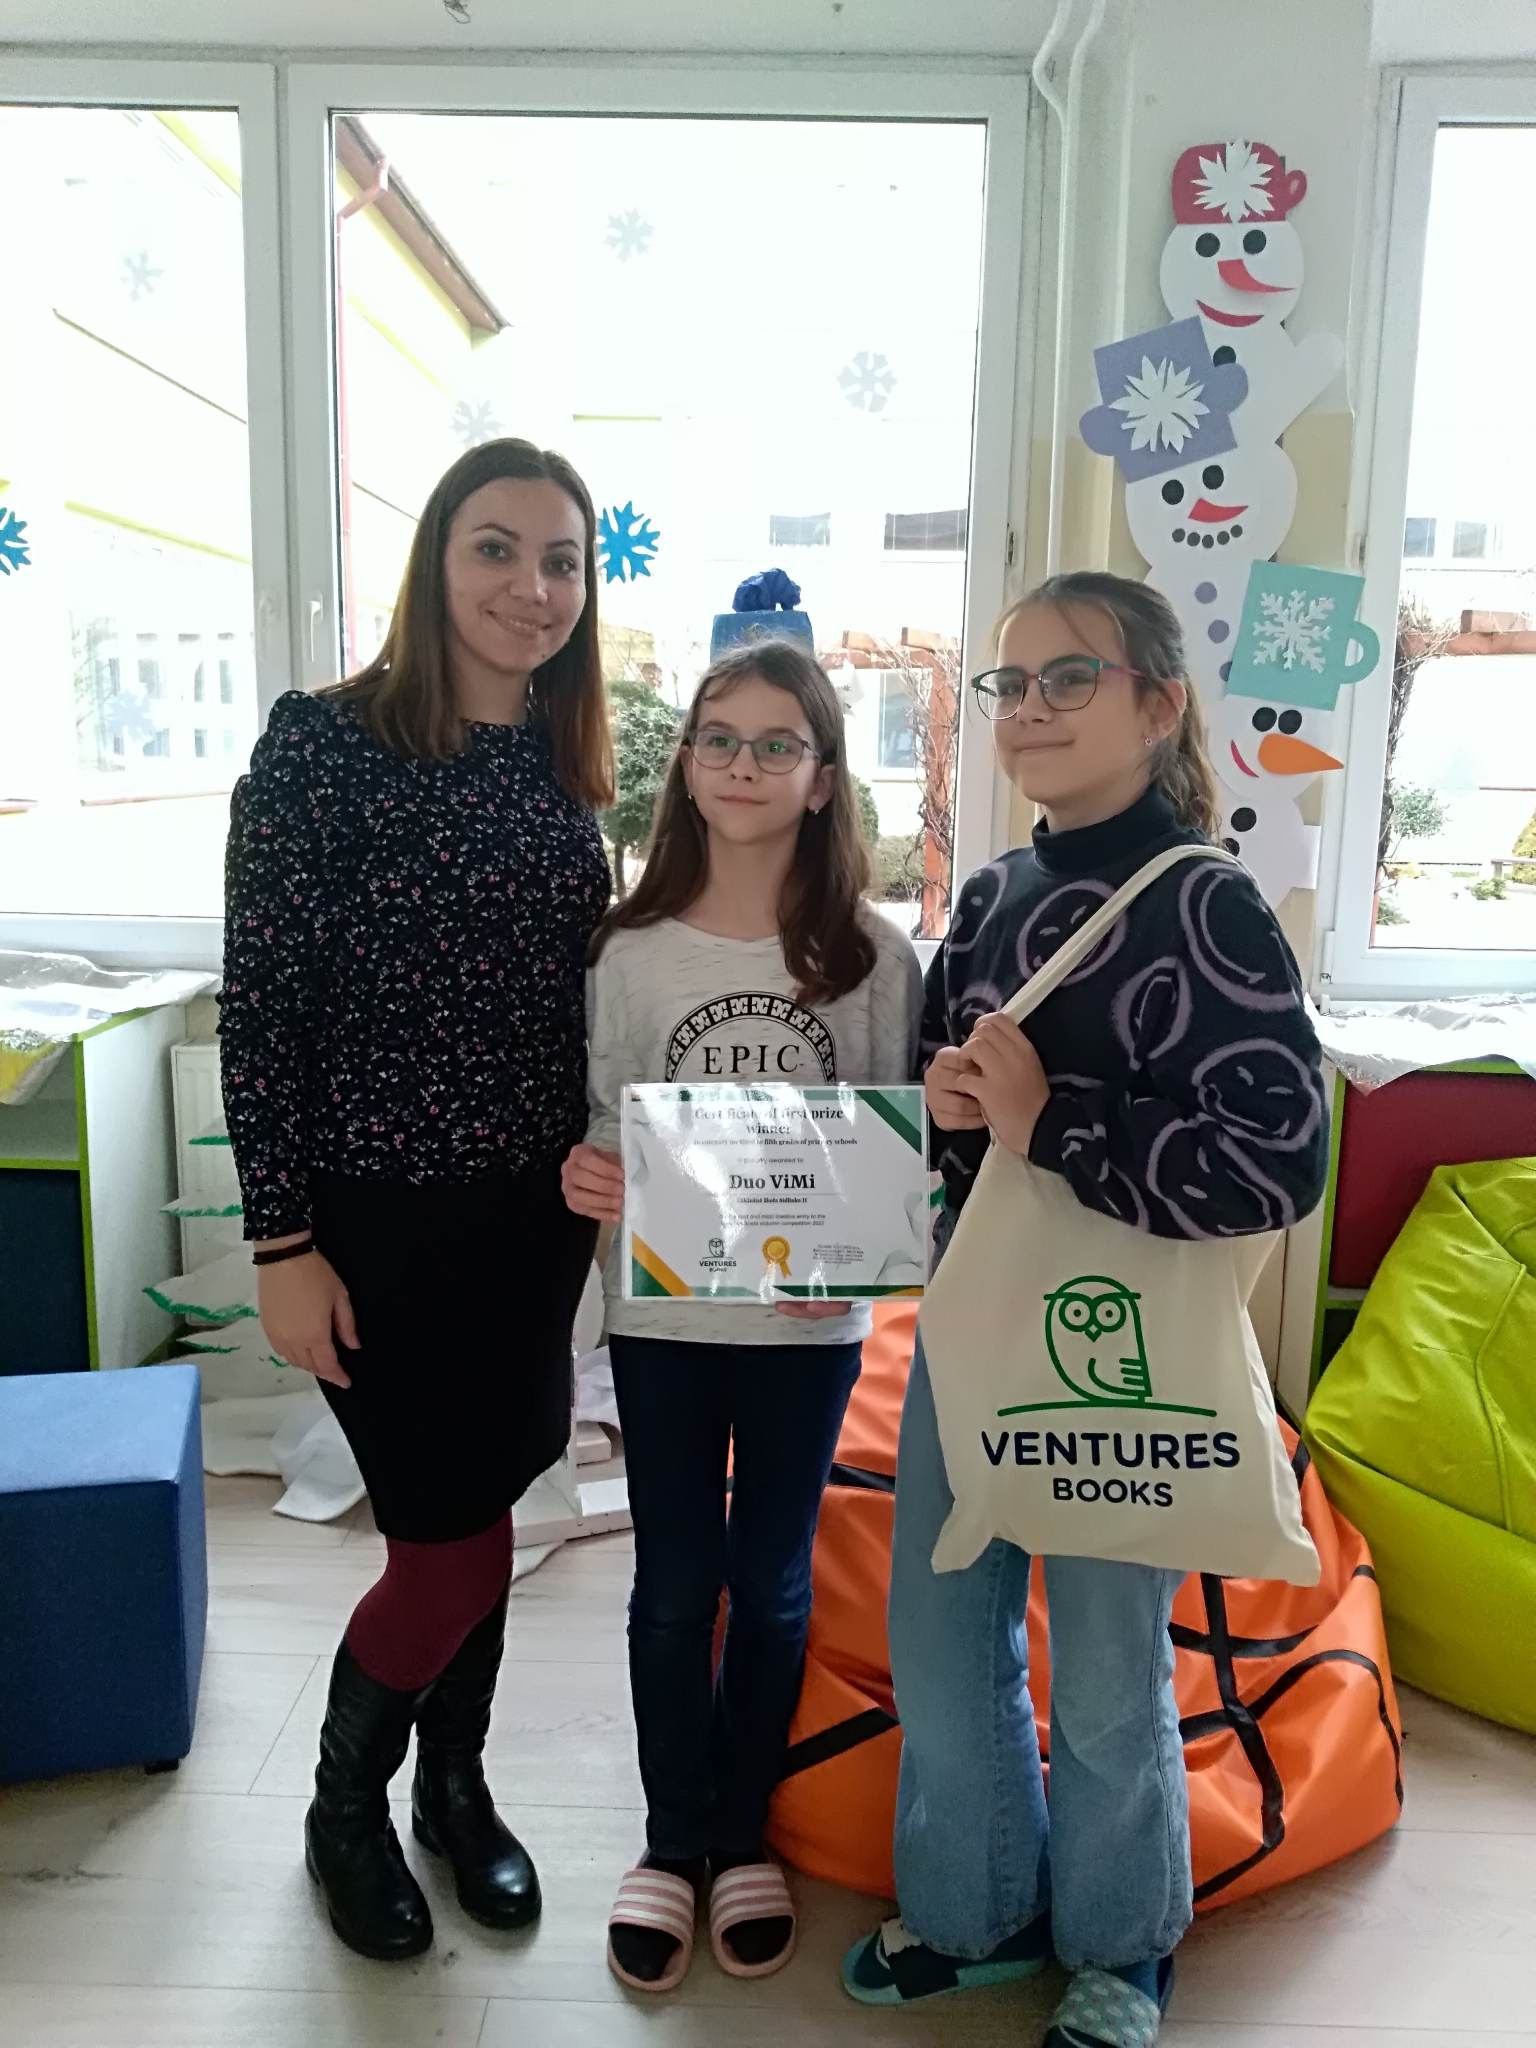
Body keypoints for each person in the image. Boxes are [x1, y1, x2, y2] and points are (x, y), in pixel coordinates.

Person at [841, 572, 1329, 2048]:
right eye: (1013, 684)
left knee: (1113, 1663)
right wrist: (949, 1112)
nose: (1033, 708)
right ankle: (978, 1908)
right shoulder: (992, 899)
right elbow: (950, 1136)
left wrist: (1048, 1122)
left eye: (1073, 678)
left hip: (1126, 1354)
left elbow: (1276, 1161)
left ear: (1159, 705)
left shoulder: (1210, 903)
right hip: (974, 1322)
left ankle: (1123, 1945)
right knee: (943, 1630)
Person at [220, 439, 614, 1963]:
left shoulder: (562, 764)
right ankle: (344, 1814)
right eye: (495, 549)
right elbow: (263, 1012)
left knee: (491, 1505)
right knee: (443, 1543)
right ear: (436, 561)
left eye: (562, 560)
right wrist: (281, 1242)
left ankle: (456, 1790)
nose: (532, 587)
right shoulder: (324, 743)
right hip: (374, 1220)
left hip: (531, 1218)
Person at [562, 639, 923, 1994]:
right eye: (719, 738)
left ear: (824, 778)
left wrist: (863, 1252)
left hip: (804, 1334)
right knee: (672, 1585)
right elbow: (608, 1129)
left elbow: (889, 1144)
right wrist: (589, 1177)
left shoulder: (874, 956)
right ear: (687, 766)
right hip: (662, 1325)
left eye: (780, 744)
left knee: (772, 1586)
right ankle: (671, 1840)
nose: (745, 765)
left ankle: (741, 1834)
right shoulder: (630, 948)